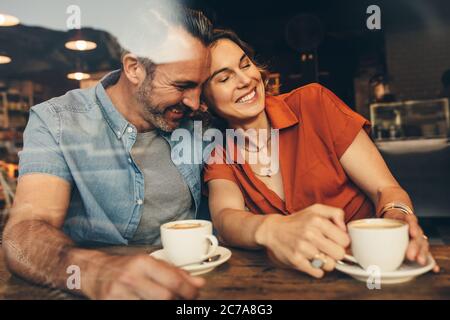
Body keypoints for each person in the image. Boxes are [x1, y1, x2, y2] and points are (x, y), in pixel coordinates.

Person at [3, 7, 213, 299]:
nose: (194, 102)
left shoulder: (198, 121)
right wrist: (95, 272)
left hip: (192, 286)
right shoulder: (58, 120)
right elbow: (23, 233)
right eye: (182, 85)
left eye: (202, 86)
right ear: (134, 68)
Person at [202, 29, 439, 278]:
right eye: (224, 78)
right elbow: (225, 218)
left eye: (245, 65)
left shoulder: (313, 103)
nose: (245, 80)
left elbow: (385, 189)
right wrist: (271, 230)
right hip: (296, 279)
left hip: (371, 268)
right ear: (204, 101)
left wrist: (399, 217)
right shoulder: (219, 150)